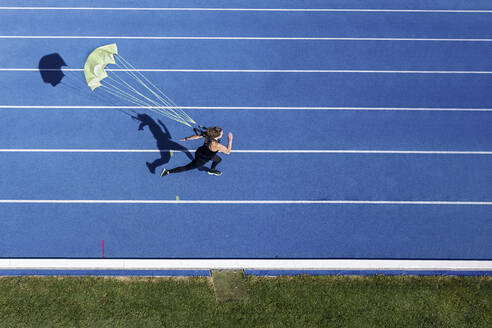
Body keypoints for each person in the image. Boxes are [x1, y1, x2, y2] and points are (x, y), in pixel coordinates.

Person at [160, 127, 233, 177]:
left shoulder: (208, 135)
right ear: (217, 135)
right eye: (222, 133)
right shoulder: (217, 145)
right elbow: (228, 152)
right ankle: (168, 172)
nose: (223, 134)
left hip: (199, 151)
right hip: (202, 159)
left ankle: (212, 170)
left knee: (218, 159)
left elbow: (197, 136)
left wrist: (186, 139)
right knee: (187, 167)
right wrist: (230, 140)